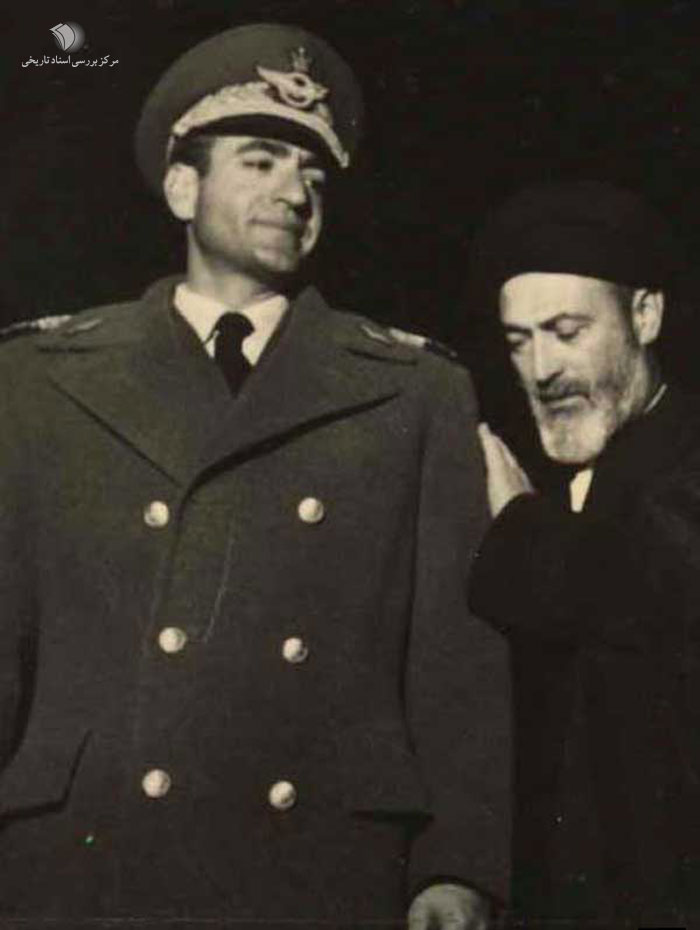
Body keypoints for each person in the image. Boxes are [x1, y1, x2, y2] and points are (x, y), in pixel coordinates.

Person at [0, 23, 509, 929]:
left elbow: (454, 660)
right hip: (84, 859)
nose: (295, 192)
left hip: (318, 860)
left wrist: (457, 866)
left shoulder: (416, 388)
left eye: (314, 175)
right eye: (261, 161)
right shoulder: (39, 377)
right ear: (182, 188)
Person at [469, 179, 700, 927]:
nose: (542, 369)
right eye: (519, 341)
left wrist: (518, 527)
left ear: (646, 315)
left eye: (566, 332)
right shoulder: (574, 485)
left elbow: (649, 585)